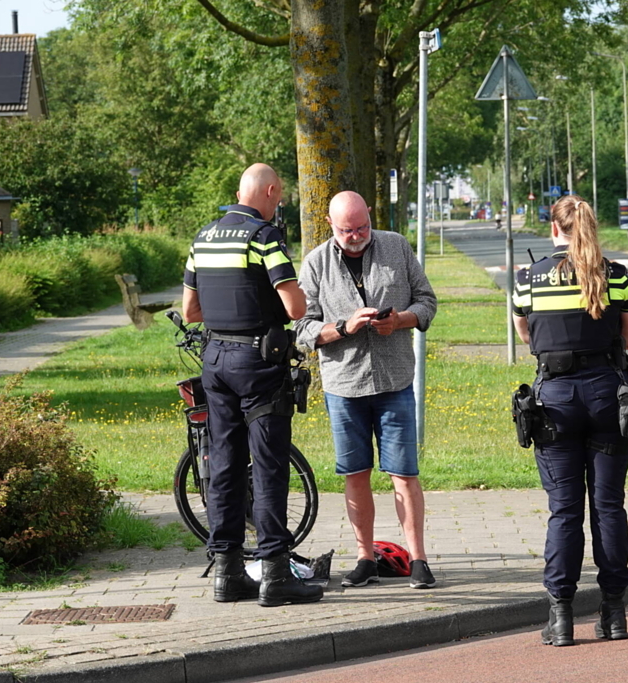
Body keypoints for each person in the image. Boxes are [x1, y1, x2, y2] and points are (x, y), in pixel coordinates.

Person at [182, 164, 323, 607]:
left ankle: (228, 573)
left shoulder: (203, 238)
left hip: (215, 360)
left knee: (224, 465)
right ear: (270, 190)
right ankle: (276, 574)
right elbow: (295, 303)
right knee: (267, 466)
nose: (278, 204)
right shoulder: (264, 236)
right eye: (278, 197)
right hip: (258, 363)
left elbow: (191, 311)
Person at [512, 194, 628, 647]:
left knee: (564, 511)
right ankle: (614, 613)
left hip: (557, 403)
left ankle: (561, 618)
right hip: (608, 397)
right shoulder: (616, 275)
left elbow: (525, 332)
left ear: (554, 229)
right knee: (608, 506)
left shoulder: (529, 278)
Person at [295, 191, 438, 590]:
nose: (356, 235)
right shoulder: (315, 263)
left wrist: (404, 320)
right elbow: (302, 329)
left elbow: (427, 301)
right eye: (346, 230)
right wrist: (343, 327)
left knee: (404, 474)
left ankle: (419, 560)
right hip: (344, 386)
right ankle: (364, 558)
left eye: (361, 227)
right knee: (355, 474)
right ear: (330, 225)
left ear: (370, 217)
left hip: (394, 381)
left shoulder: (396, 246)